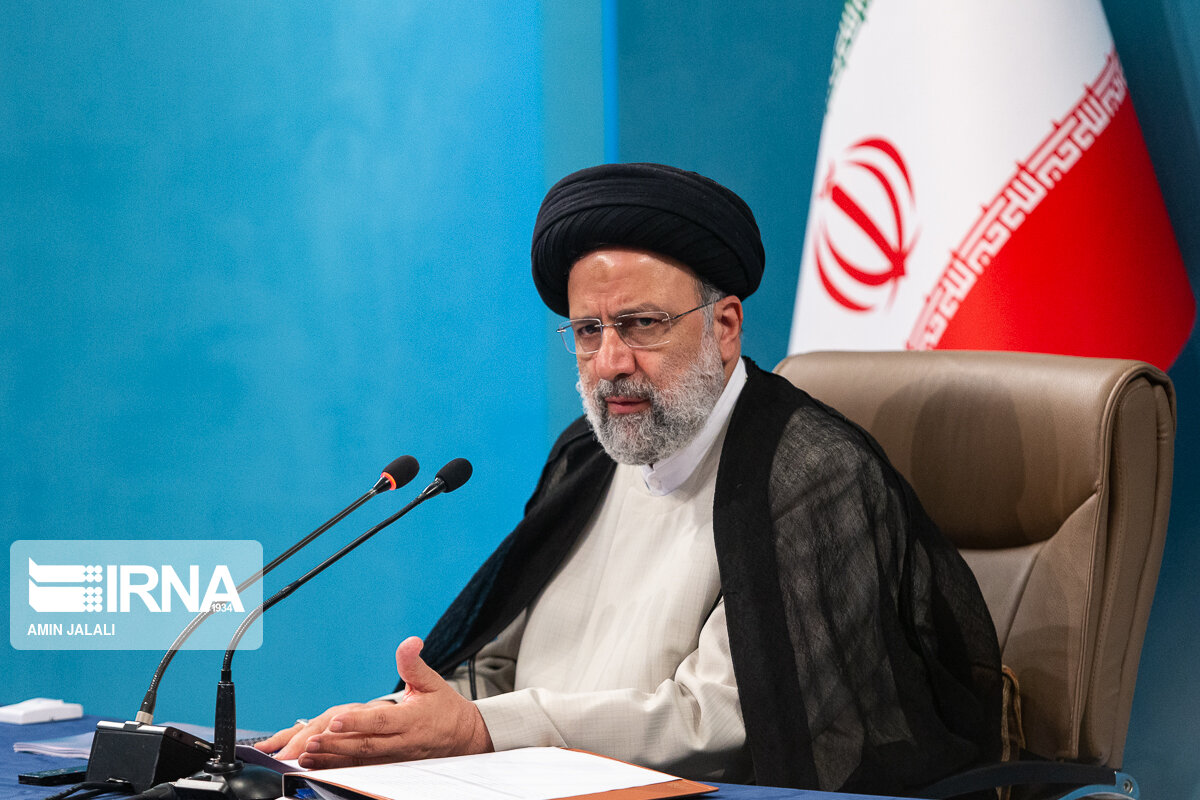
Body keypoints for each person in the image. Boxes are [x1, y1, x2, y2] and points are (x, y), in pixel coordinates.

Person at [257, 162, 1002, 794]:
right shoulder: (586, 456)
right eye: (589, 331)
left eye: (642, 324)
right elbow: (495, 659)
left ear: (724, 326)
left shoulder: (810, 473)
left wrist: (485, 729)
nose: (611, 362)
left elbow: (724, 717)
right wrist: (382, 727)